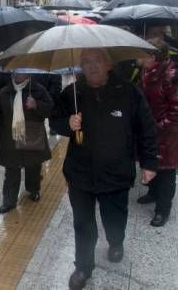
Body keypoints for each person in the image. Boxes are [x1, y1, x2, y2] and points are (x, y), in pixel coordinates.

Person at [50, 48, 157, 290]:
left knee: (114, 217)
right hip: (80, 173)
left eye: (97, 60)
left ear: (108, 64)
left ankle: (115, 241)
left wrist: (150, 163)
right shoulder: (73, 93)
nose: (92, 66)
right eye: (86, 62)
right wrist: (67, 123)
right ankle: (83, 267)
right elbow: (54, 121)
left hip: (116, 173)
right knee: (82, 223)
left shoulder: (128, 92)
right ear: (80, 66)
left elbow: (147, 128)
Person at [0, 71, 53, 214]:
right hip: (10, 137)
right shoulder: (5, 91)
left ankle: (33, 189)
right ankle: (9, 201)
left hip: (32, 135)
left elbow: (50, 109)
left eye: (23, 70)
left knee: (33, 166)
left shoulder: (38, 89)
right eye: (16, 70)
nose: (20, 73)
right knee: (11, 170)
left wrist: (36, 105)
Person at [137, 39, 178, 227]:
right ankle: (152, 193)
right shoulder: (146, 71)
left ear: (152, 56)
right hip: (151, 130)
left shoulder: (171, 75)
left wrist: (160, 126)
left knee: (167, 171)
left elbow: (176, 110)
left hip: (167, 133)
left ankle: (163, 209)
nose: (137, 57)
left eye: (141, 53)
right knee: (151, 163)